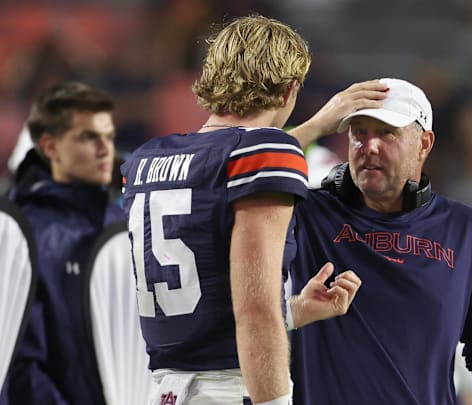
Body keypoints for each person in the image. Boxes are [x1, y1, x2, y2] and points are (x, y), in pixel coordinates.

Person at [120, 15, 386, 405]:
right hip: (230, 389)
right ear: (289, 90)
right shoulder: (264, 156)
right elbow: (256, 308)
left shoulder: (146, 161)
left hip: (163, 390)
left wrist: (291, 311)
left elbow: (210, 304)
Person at [286, 77, 472, 405]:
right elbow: (225, 179)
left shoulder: (466, 229)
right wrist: (317, 124)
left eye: (386, 133)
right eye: (359, 133)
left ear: (424, 143)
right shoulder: (308, 214)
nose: (370, 146)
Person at [1, 81, 124, 404]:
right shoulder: (21, 233)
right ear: (51, 146)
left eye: (109, 137)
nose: (104, 149)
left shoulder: (122, 225)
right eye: (88, 137)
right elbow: (17, 360)